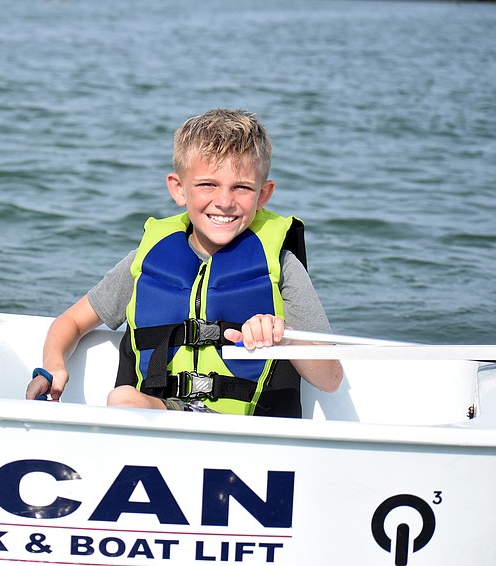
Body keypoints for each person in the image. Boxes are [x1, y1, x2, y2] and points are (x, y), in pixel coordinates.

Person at [26, 108, 342, 417]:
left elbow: (331, 379)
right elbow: (71, 322)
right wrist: (53, 365)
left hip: (247, 430)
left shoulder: (282, 267)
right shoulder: (147, 260)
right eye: (208, 185)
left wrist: (284, 338)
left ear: (263, 194)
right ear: (179, 189)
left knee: (122, 399)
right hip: (163, 414)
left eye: (242, 187)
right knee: (123, 398)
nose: (225, 201)